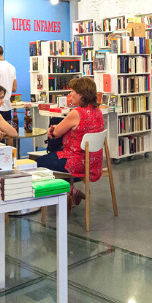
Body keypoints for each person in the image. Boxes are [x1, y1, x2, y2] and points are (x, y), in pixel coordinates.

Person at [35, 77, 105, 212]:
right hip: (93, 163)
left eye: (73, 91)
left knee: (38, 164)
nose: (70, 94)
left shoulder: (76, 113)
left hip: (76, 163)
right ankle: (70, 192)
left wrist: (53, 129)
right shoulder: (97, 111)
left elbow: (57, 133)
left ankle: (65, 193)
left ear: (81, 94)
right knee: (54, 160)